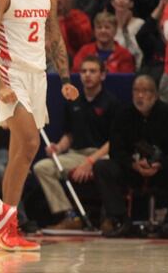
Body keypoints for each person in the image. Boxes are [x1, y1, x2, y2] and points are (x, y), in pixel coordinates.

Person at [0, 0, 80, 250]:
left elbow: (55, 37)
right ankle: (3, 224)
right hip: (10, 76)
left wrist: (66, 80)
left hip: (38, 76)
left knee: (21, 153)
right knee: (29, 143)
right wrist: (0, 82)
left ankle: (4, 227)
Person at [94, 75, 168, 239]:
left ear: (155, 94)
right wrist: (133, 164)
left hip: (163, 172)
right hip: (133, 171)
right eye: (136, 91)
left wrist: (160, 164)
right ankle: (120, 220)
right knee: (102, 167)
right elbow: (116, 151)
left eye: (145, 91)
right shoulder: (122, 115)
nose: (140, 95)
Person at [34, 56, 119, 230]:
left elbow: (114, 141)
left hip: (103, 154)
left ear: (102, 75)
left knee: (105, 168)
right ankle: (70, 215)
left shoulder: (111, 103)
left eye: (93, 71)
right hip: (76, 154)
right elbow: (70, 135)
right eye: (84, 71)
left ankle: (109, 217)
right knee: (42, 167)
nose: (87, 75)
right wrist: (58, 147)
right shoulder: (73, 102)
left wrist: (90, 162)